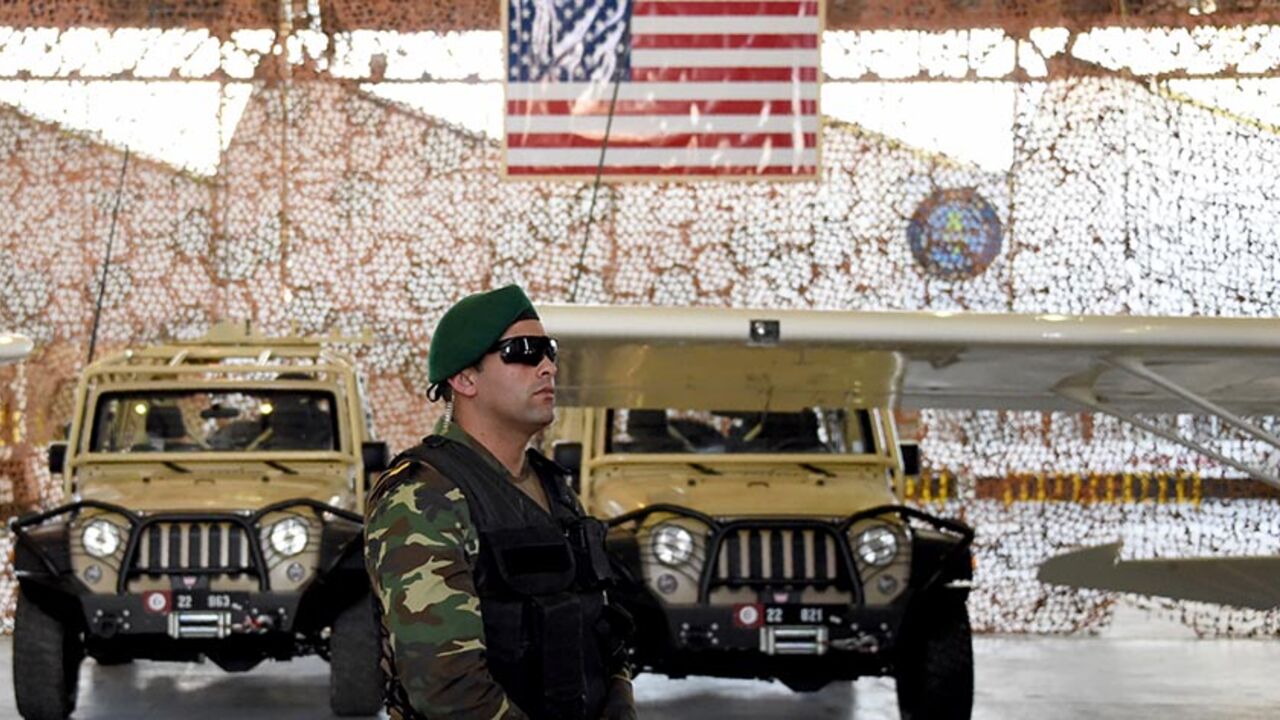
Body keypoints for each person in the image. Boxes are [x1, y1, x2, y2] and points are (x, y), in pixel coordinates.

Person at [364, 285, 635, 720]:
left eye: (549, 351)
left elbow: (604, 631)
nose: (546, 366)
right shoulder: (423, 495)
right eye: (523, 352)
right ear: (464, 378)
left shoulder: (556, 489)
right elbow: (446, 685)